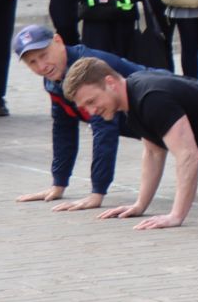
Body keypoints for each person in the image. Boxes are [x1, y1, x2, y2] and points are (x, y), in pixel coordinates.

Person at [65, 57, 198, 230]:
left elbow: (189, 156)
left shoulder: (151, 98)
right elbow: (153, 152)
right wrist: (140, 205)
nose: (91, 111)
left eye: (91, 101)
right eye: (84, 107)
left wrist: (176, 216)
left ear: (110, 83)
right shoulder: (134, 97)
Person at [11, 24, 146, 211]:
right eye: (32, 62)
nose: (41, 66)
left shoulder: (87, 71)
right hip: (147, 126)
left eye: (44, 55)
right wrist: (58, 183)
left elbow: (105, 131)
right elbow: (63, 128)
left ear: (58, 41)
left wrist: (97, 192)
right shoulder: (53, 77)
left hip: (175, 110)